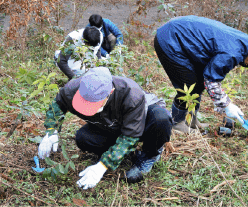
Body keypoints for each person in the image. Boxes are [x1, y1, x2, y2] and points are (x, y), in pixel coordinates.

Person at [36, 67, 172, 188]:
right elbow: (58, 104)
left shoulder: (132, 94)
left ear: (110, 92)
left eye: (93, 104)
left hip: (140, 122)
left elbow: (131, 135)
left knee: (161, 119)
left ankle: (150, 155)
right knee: (83, 138)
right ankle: (119, 153)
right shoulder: (72, 88)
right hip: (111, 126)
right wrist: (51, 131)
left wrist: (103, 165)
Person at [153, 16, 248, 133]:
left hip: (180, 35)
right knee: (188, 85)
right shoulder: (232, 53)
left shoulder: (244, 43)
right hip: (170, 39)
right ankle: (177, 122)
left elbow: (207, 76)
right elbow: (211, 80)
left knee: (198, 83)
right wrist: (226, 104)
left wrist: (224, 103)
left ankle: (191, 120)